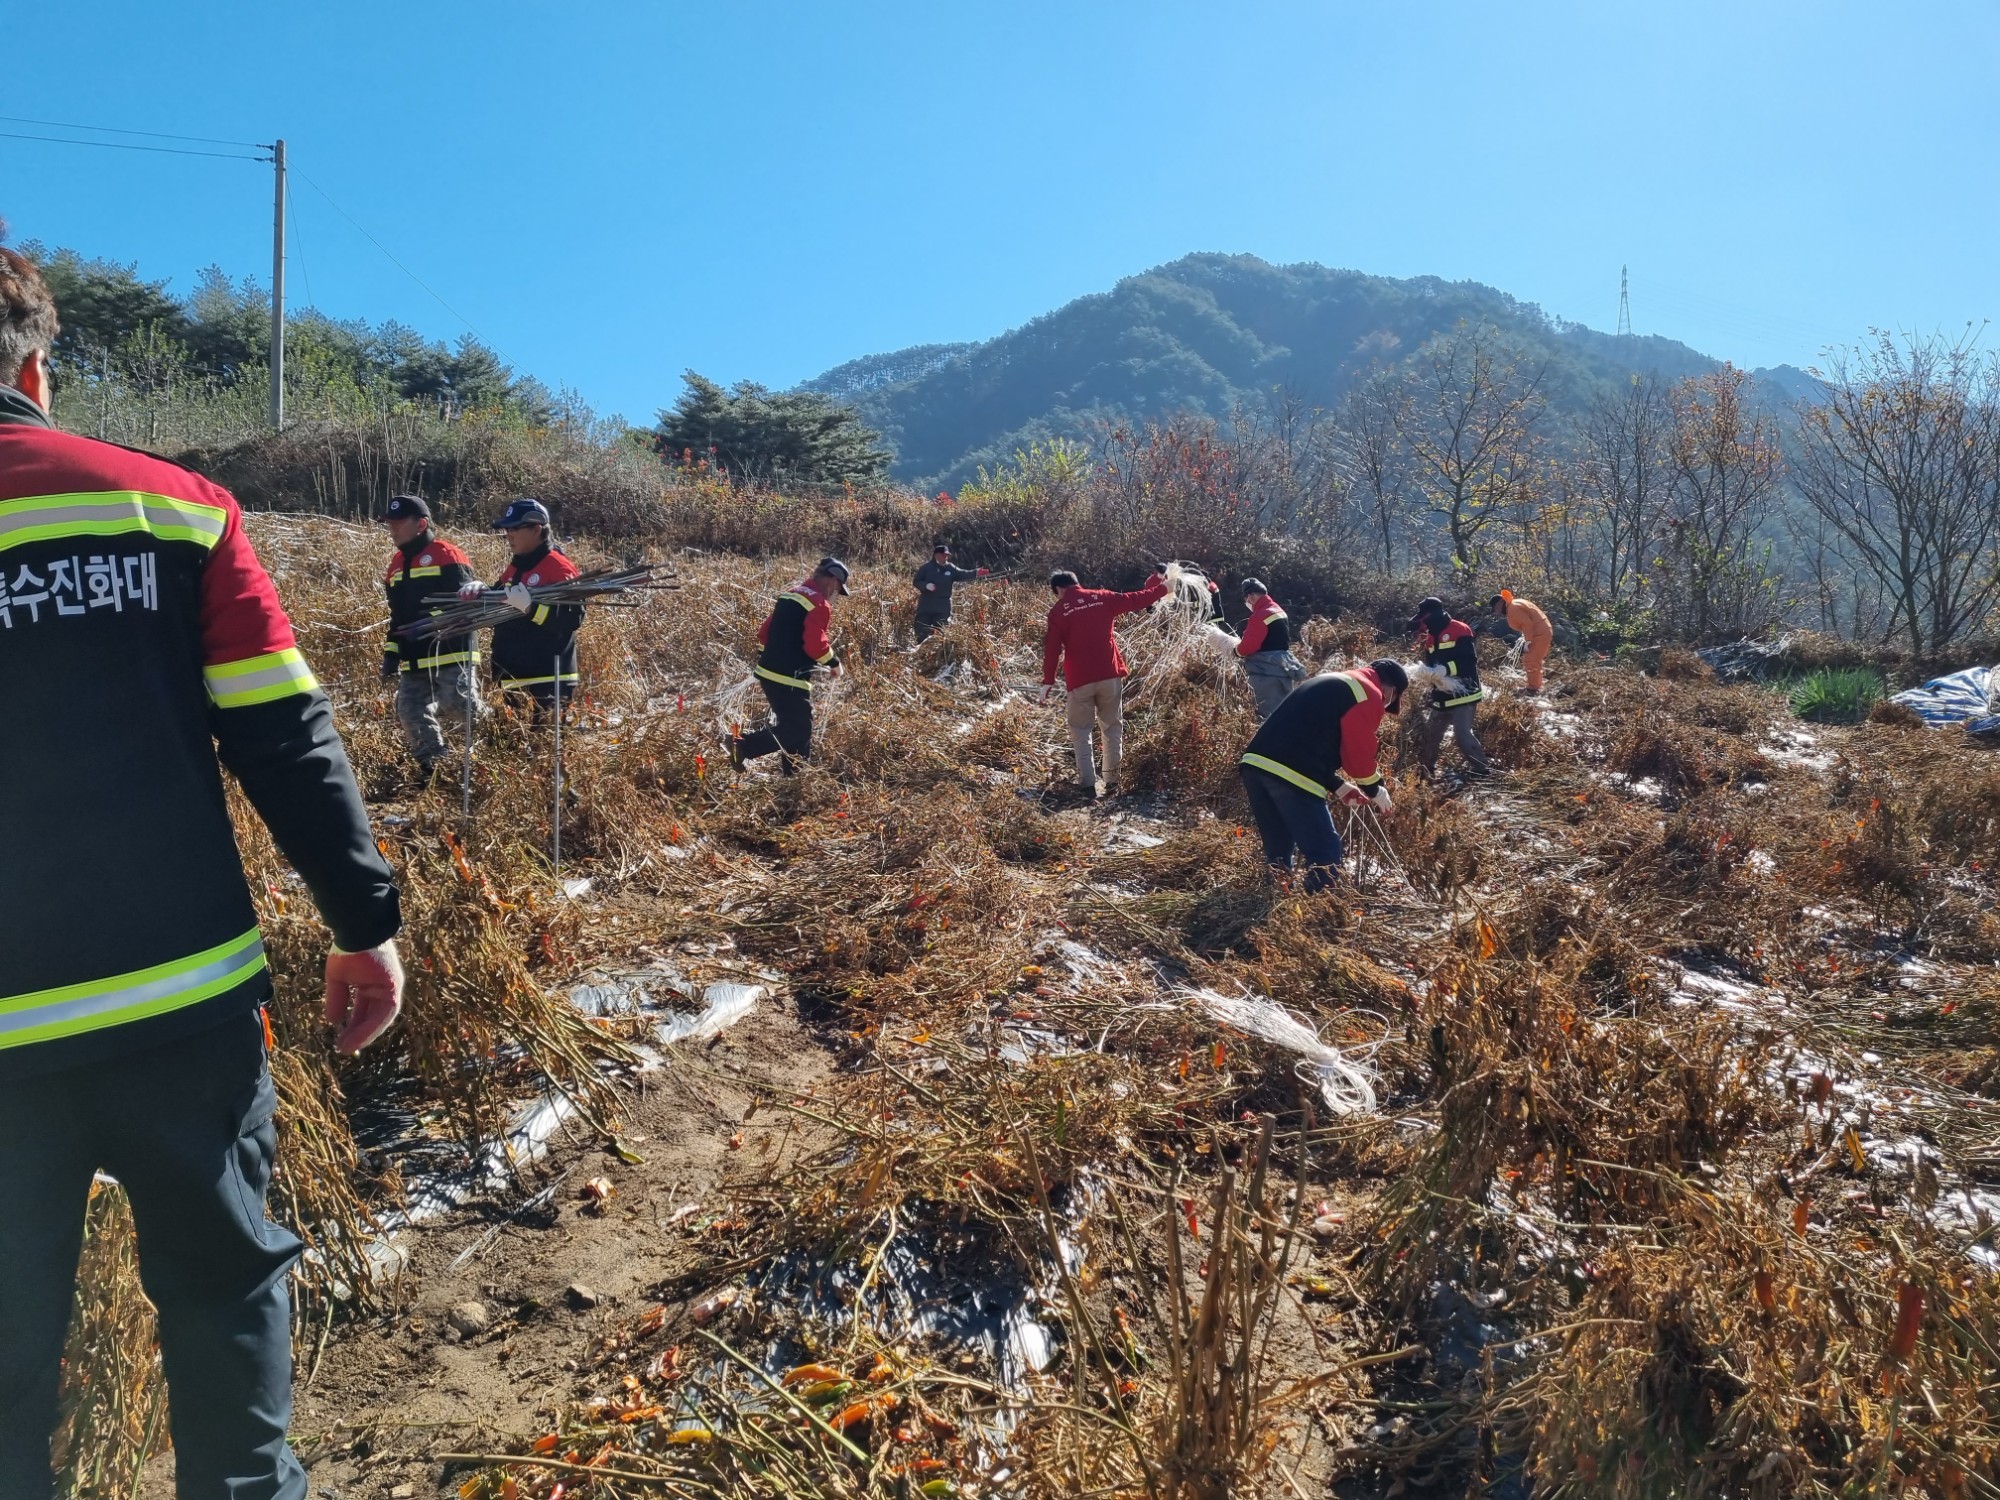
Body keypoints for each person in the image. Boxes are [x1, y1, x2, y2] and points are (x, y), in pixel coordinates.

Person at [0, 245, 404, 1500]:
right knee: (224, 1291)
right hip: (182, 1001)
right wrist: (362, 917)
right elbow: (283, 729)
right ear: (37, 364)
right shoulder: (169, 506)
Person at [1237, 661, 1406, 892]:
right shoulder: (1368, 693)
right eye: (1388, 701)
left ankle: (1273, 906)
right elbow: (1357, 755)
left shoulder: (1334, 681)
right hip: (1293, 773)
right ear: (1390, 691)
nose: (1384, 706)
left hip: (1256, 765)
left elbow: (1306, 738)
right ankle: (1315, 918)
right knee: (1326, 854)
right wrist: (1375, 788)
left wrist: (1338, 786)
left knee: (1278, 848)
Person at [1039, 564, 1170, 799]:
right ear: (1076, 582)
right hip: (1110, 675)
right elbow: (1135, 599)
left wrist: (1047, 681)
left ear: (1058, 589)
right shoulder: (1102, 597)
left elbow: (1052, 649)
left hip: (1080, 679)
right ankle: (1112, 781)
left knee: (1081, 731)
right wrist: (1164, 589)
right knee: (1112, 728)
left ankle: (1088, 785)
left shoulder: (1058, 612)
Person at [380, 494, 483, 779]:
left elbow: (465, 606)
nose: (392, 528)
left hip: (452, 651)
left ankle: (502, 736)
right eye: (389, 522)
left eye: (398, 523)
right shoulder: (395, 565)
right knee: (410, 710)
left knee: (459, 706)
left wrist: (430, 624)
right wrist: (391, 654)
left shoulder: (448, 555)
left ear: (421, 524)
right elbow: (396, 616)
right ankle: (435, 769)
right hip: (414, 658)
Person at [461, 498, 583, 716]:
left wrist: (531, 609)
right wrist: (480, 591)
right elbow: (497, 604)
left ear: (536, 529)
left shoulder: (558, 567)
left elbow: (571, 620)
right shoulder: (515, 568)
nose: (508, 534)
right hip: (510, 679)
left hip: (547, 682)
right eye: (506, 529)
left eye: (515, 528)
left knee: (543, 750)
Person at [732, 557, 849, 773]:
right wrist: (834, 663)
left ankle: (794, 779)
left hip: (768, 673)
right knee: (798, 729)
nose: (836, 597)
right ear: (832, 580)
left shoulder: (791, 593)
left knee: (796, 729)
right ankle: (743, 746)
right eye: (838, 590)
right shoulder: (820, 604)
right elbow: (815, 644)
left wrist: (771, 658)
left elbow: (763, 632)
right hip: (789, 676)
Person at [1409, 595, 1492, 779]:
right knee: (1431, 733)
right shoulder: (1430, 637)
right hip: (1441, 693)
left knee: (1461, 732)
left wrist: (1445, 669)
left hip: (1465, 692)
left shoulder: (1460, 629)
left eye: (1425, 619)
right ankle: (1426, 770)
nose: (1424, 624)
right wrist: (1429, 674)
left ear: (1434, 616)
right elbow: (1432, 663)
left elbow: (1469, 662)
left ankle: (1481, 768)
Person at [1235, 577, 1306, 719]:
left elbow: (1248, 646)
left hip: (1266, 675)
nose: (1247, 603)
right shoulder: (1279, 611)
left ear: (1251, 596)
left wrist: (1235, 650)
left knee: (1264, 720)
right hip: (1283, 670)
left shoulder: (1260, 615)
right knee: (1283, 717)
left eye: (1247, 599)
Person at [911, 542, 986, 643]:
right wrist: (926, 586)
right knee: (921, 630)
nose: (945, 557)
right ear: (936, 555)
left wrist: (976, 572)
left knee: (942, 631)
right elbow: (916, 581)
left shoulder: (950, 568)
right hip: (926, 605)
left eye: (947, 555)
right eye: (943, 555)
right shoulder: (926, 568)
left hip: (943, 605)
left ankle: (939, 653)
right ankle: (920, 651)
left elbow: (963, 573)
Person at [1489, 588, 1554, 692]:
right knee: (1533, 659)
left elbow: (1527, 624)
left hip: (1540, 633)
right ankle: (1536, 684)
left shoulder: (1513, 608)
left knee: (1531, 660)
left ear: (1500, 603)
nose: (1496, 612)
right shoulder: (1514, 604)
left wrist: (1528, 641)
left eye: (1495, 608)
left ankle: (1534, 689)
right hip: (1541, 631)